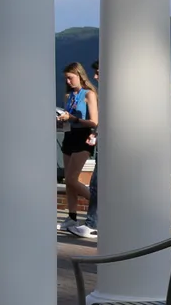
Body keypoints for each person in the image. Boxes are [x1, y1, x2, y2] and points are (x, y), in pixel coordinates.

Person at [58, 62, 99, 233]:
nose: (68, 81)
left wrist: (74, 119)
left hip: (83, 139)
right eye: (66, 78)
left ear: (79, 76)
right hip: (69, 136)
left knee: (72, 179)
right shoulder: (69, 97)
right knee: (69, 181)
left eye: (70, 78)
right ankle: (72, 217)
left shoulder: (89, 94)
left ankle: (99, 205)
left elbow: (94, 121)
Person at [73, 60, 101, 239]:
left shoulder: (93, 94)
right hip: (102, 141)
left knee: (97, 185)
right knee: (96, 184)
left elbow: (97, 119)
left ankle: (93, 224)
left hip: (111, 147)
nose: (96, 76)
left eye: (98, 72)